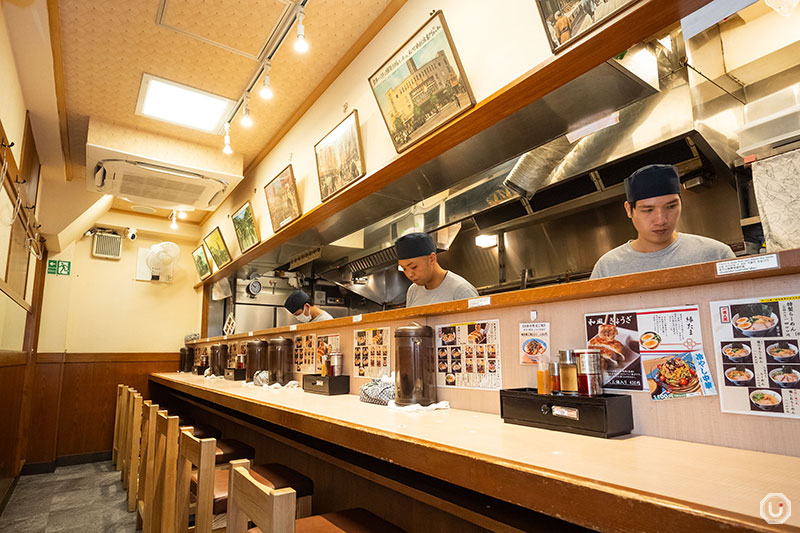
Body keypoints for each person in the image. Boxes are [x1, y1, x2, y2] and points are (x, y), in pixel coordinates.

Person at [590, 164, 735, 279]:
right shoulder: (608, 268)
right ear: (629, 210)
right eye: (648, 210)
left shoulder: (716, 255)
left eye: (671, 206)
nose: (661, 220)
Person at [396, 232, 479, 307]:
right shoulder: (413, 291)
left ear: (432, 258)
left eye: (414, 267)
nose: (409, 274)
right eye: (404, 269)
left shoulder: (461, 290)